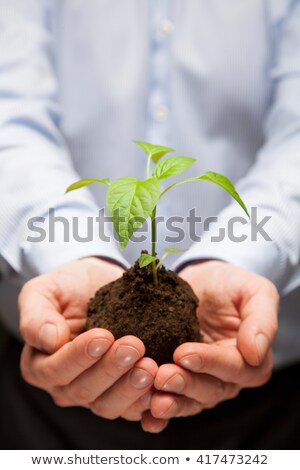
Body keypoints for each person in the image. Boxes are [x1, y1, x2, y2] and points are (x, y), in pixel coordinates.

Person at [0, 0, 300, 449]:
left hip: (269, 395)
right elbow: (10, 110)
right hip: (50, 393)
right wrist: (69, 250)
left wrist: (241, 255)